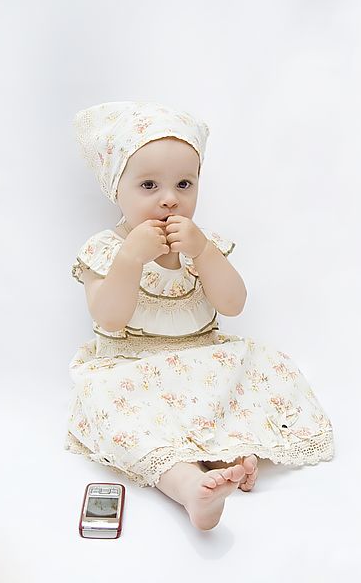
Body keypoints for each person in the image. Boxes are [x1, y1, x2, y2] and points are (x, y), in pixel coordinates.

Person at [65, 100, 334, 531]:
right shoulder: (107, 249)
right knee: (119, 413)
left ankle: (235, 457)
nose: (170, 199)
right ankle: (188, 486)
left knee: (242, 383)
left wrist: (204, 252)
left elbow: (232, 304)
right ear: (117, 188)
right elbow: (110, 317)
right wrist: (130, 260)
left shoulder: (201, 245)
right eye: (149, 185)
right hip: (133, 368)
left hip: (202, 361)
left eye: (184, 184)